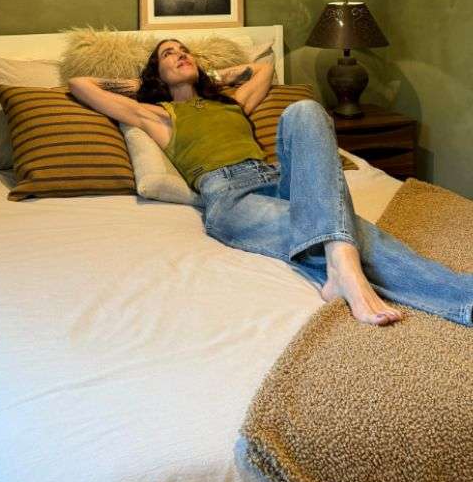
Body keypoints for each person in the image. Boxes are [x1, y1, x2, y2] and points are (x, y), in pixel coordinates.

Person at [69, 39, 473, 328]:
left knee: (305, 110)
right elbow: (80, 85)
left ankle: (340, 269)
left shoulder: (231, 104)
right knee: (348, 231)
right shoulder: (158, 115)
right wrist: (141, 85)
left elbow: (263, 69)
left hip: (277, 180)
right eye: (168, 54)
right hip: (232, 197)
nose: (180, 55)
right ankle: (457, 298)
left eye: (184, 50)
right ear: (156, 73)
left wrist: (211, 74)